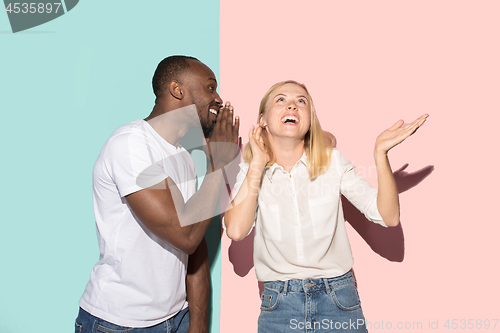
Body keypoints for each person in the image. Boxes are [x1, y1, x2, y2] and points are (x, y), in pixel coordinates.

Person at [224, 80, 428, 332]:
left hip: (338, 298)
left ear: (310, 119)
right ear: (263, 119)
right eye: (281, 99)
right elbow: (235, 230)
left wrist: (380, 154)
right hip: (280, 304)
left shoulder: (333, 162)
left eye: (302, 101)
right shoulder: (251, 171)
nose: (292, 105)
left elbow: (387, 216)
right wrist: (257, 162)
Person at [76, 55, 240, 333]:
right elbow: (184, 236)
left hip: (175, 319)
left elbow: (197, 244)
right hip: (118, 323)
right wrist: (220, 162)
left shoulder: (184, 157)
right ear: (178, 90)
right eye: (210, 88)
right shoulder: (130, 145)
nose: (219, 99)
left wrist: (197, 325)